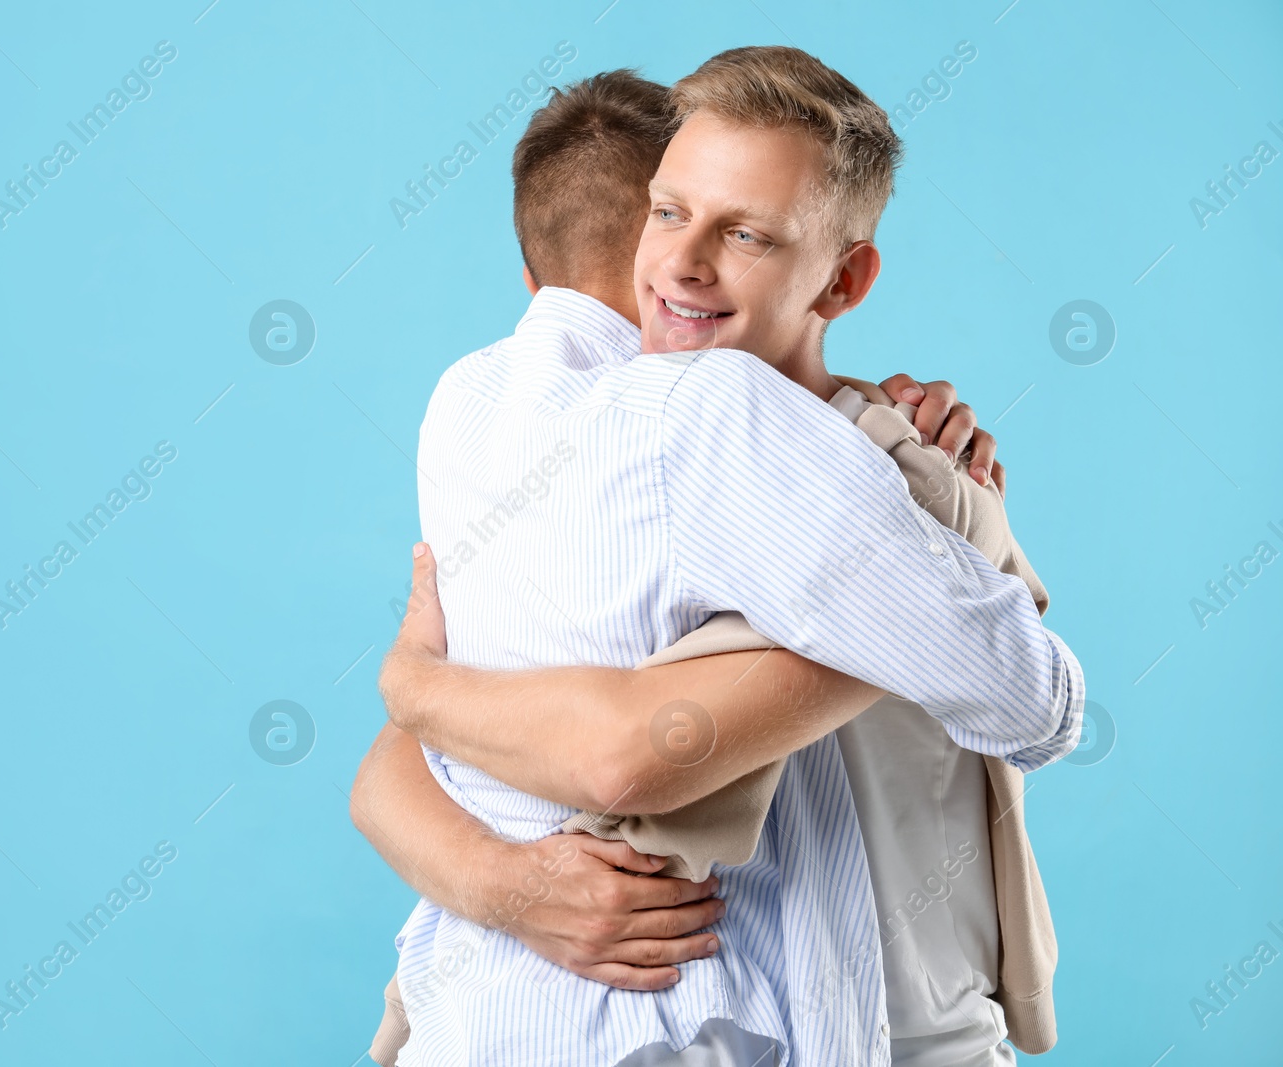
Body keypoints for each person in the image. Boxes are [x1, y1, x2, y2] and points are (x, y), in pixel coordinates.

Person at [353, 50, 1081, 1067]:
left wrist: (417, 684)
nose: (679, 266)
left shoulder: (913, 471)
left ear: (840, 275)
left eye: (742, 232)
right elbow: (406, 763)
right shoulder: (583, 451)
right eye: (665, 213)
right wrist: (500, 877)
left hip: (907, 1030)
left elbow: (1029, 701)